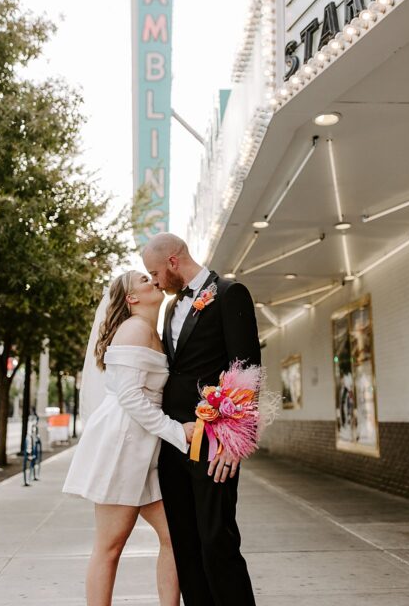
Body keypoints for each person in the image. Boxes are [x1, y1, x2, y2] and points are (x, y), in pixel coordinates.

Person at [141, 232, 262, 606]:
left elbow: (247, 369)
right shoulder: (171, 309)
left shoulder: (229, 293)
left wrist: (234, 441)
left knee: (216, 540)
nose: (155, 281)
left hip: (214, 441)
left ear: (173, 261)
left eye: (155, 272)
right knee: (186, 543)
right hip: (174, 441)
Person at [63, 270, 196, 606]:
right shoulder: (134, 329)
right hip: (122, 445)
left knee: (175, 536)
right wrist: (176, 431)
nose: (152, 280)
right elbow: (130, 398)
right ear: (131, 299)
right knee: (110, 546)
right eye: (142, 280)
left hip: (145, 448)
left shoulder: (151, 330)